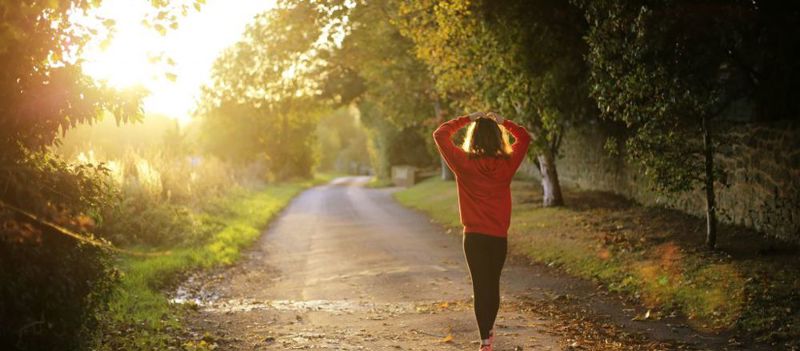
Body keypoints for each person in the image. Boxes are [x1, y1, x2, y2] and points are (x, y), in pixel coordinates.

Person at [432, 111, 531, 351]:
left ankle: (485, 341)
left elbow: (440, 134)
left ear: (473, 138)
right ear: (498, 138)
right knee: (492, 284)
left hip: (474, 237)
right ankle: (489, 331)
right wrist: (503, 122)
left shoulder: (464, 163)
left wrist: (467, 118)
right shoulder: (506, 164)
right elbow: (525, 138)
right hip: (498, 237)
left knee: (480, 286)